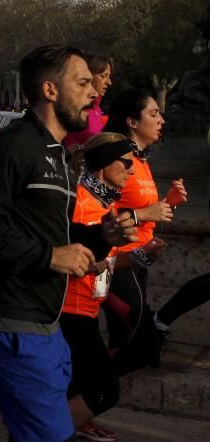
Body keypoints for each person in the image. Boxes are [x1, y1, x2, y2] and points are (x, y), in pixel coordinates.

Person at [0, 45, 136, 442]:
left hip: (44, 321)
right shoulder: (13, 145)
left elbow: (54, 235)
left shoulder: (59, 156)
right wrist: (49, 256)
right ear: (50, 91)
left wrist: (100, 238)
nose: (94, 94)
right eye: (83, 82)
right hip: (9, 317)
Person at [60, 133, 163, 442]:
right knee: (105, 390)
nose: (132, 172)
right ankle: (42, 433)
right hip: (70, 310)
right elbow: (74, 259)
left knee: (86, 386)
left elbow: (110, 260)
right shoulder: (81, 202)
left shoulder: (106, 203)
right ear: (105, 165)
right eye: (126, 164)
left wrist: (143, 255)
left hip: (88, 308)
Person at [101, 89, 187, 374]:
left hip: (138, 261)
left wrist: (168, 203)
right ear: (132, 122)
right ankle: (80, 401)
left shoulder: (141, 160)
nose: (161, 119)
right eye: (153, 114)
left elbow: (144, 213)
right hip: (116, 263)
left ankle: (85, 408)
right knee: (140, 344)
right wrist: (142, 214)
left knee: (130, 342)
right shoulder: (116, 157)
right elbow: (96, 213)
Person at [64, 54, 114, 148]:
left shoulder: (98, 109)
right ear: (87, 75)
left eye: (109, 76)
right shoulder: (74, 108)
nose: (109, 82)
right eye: (103, 76)